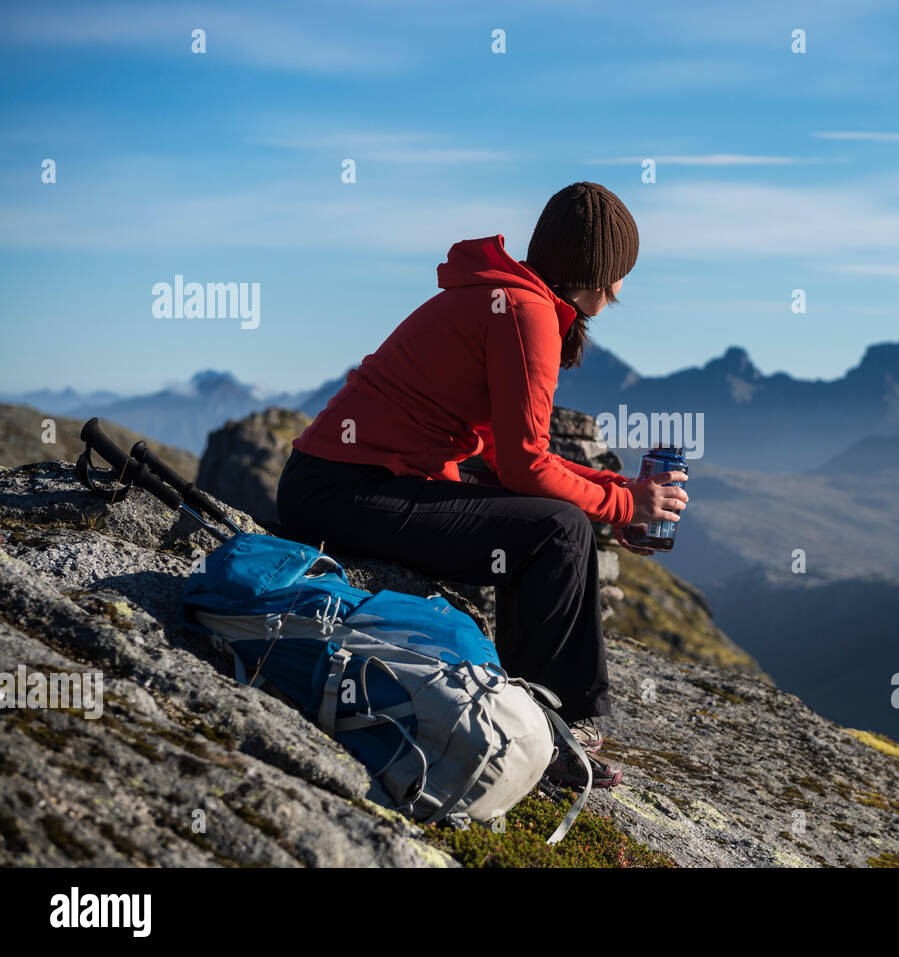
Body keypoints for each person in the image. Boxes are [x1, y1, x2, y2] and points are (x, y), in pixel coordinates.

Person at [275, 182, 688, 789]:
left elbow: (502, 455)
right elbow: (523, 469)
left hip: (336, 482)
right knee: (558, 531)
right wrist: (624, 504)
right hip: (343, 492)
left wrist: (616, 490)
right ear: (602, 274)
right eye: (622, 271)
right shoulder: (526, 313)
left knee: (551, 521)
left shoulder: (507, 297)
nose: (623, 286)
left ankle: (537, 711)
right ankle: (553, 731)